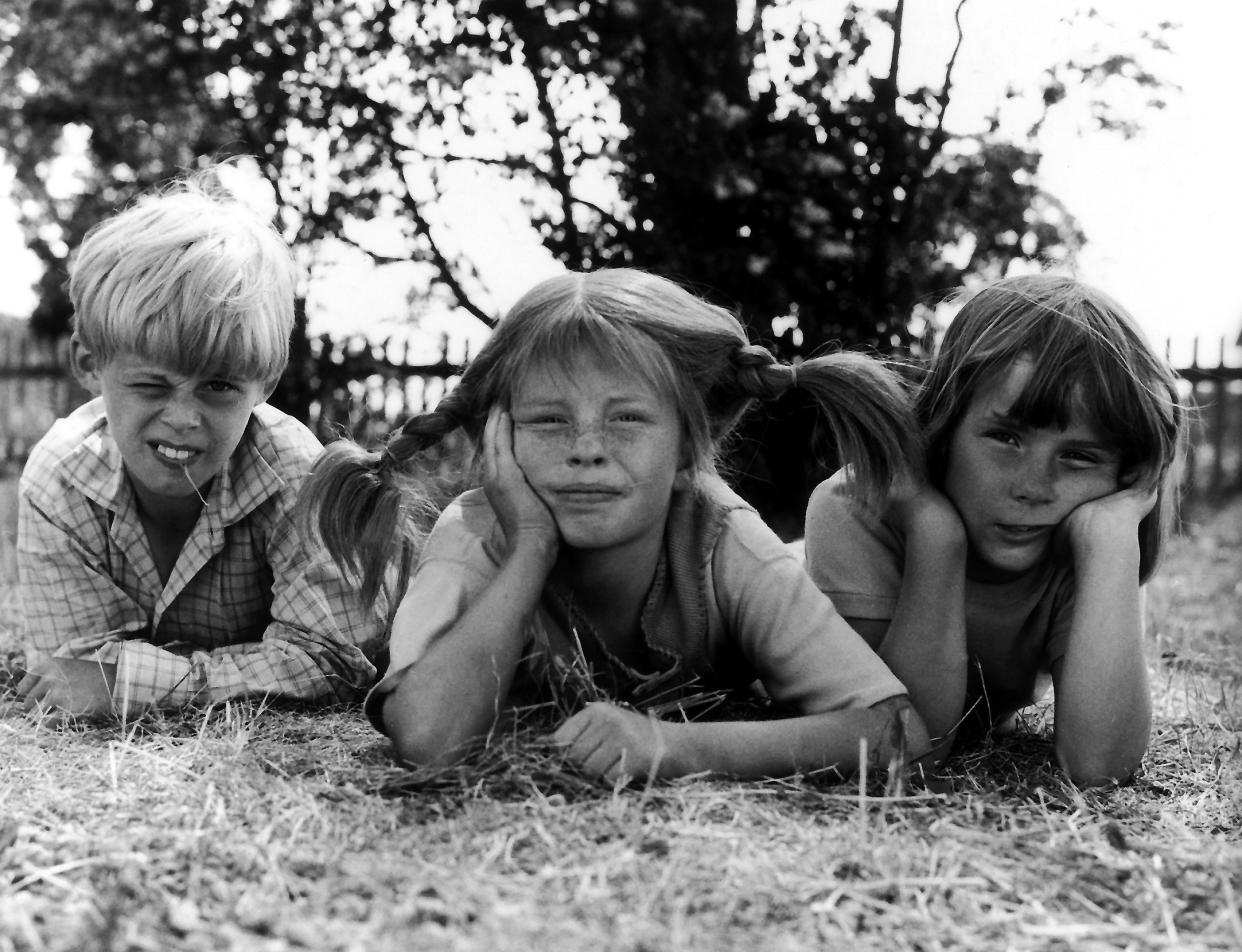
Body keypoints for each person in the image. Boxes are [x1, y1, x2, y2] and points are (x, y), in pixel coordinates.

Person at [299, 268, 933, 783]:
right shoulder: (476, 536)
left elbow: (897, 730)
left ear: (687, 449)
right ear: (499, 441)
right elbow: (427, 739)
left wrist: (674, 747)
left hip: (784, 575)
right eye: (548, 421)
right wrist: (530, 550)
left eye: (626, 419)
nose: (587, 449)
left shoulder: (722, 539)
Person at [17, 168, 388, 723]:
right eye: (151, 385)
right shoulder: (60, 476)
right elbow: (76, 668)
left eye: (218, 386)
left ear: (265, 381)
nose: (184, 419)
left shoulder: (297, 475)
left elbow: (333, 660)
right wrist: (251, 667)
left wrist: (139, 682)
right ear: (89, 365)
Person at [804, 274, 1188, 786]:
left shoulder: (1089, 538)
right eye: (1005, 437)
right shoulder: (858, 507)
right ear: (944, 424)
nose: (1033, 487)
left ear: (1125, 476)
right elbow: (908, 747)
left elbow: (1101, 766)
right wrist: (935, 536)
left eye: (1078, 456)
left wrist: (1113, 546)